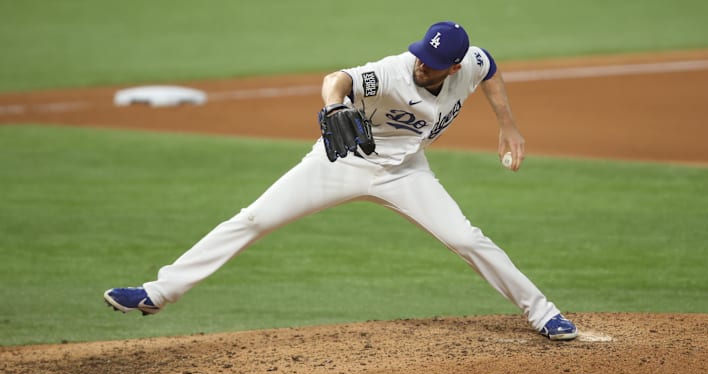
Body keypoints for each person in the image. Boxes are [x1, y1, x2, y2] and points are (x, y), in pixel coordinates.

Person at [104, 21, 578, 341]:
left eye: (432, 65)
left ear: (454, 67)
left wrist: (508, 125)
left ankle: (543, 313)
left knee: (467, 239)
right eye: (420, 57)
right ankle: (158, 293)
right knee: (253, 218)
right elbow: (338, 79)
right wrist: (334, 107)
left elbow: (489, 65)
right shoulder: (393, 71)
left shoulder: (466, 64)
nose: (421, 65)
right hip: (343, 162)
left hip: (406, 173)